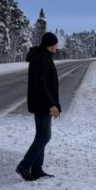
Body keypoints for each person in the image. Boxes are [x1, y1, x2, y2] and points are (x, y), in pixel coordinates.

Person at [16, 32, 60, 181]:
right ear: (49, 45)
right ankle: (24, 166)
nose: (57, 47)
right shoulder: (41, 59)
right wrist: (51, 105)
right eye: (55, 44)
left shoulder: (44, 57)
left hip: (43, 103)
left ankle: (36, 168)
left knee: (41, 136)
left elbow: (49, 85)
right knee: (44, 136)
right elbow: (40, 86)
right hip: (42, 104)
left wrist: (55, 104)